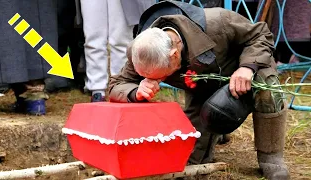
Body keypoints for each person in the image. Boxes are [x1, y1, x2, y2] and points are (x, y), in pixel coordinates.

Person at [108, 1, 289, 180]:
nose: (155, 81)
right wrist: (135, 91)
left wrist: (247, 67)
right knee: (191, 164)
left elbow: (260, 34)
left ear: (174, 55)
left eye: (158, 77)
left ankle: (271, 157)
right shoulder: (142, 50)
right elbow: (117, 85)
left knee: (268, 89)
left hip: (245, 70)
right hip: (202, 89)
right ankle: (219, 126)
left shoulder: (218, 22)